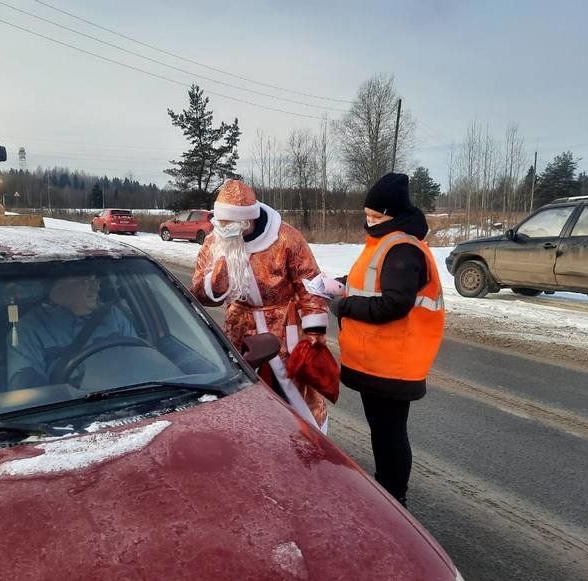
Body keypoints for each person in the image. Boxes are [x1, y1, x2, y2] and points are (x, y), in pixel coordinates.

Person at [330, 172, 445, 508]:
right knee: (382, 431)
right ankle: (388, 489)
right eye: (367, 215)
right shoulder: (385, 244)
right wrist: (338, 283)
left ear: (393, 215)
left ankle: (394, 497)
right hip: (378, 359)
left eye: (376, 217)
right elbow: (372, 283)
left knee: (390, 433)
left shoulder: (402, 249)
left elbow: (394, 303)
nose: (369, 222)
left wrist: (345, 305)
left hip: (394, 363)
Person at [190, 179, 330, 431]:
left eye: (229, 223)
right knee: (242, 394)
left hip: (282, 332)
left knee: (289, 393)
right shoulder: (214, 242)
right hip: (238, 329)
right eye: (220, 223)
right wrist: (219, 274)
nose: (222, 229)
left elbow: (310, 283)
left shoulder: (285, 238)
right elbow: (200, 293)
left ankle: (304, 441)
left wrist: (314, 331)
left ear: (247, 220)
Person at [7, 273, 137, 389]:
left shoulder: (113, 315)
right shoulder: (28, 330)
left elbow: (139, 359)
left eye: (96, 280)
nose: (96, 287)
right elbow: (26, 394)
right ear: (58, 289)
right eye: (86, 281)